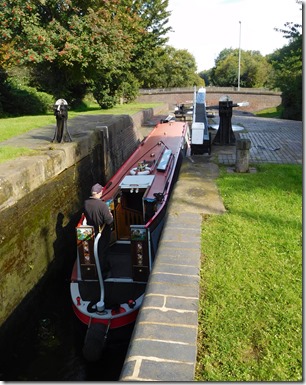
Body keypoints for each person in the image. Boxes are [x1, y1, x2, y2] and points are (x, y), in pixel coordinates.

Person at [84, 183, 114, 279]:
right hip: (103, 232)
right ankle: (103, 272)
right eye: (101, 191)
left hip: (92, 232)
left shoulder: (86, 203)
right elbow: (109, 220)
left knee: (95, 250)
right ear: (99, 192)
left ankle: (94, 268)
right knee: (103, 251)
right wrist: (110, 215)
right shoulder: (102, 205)